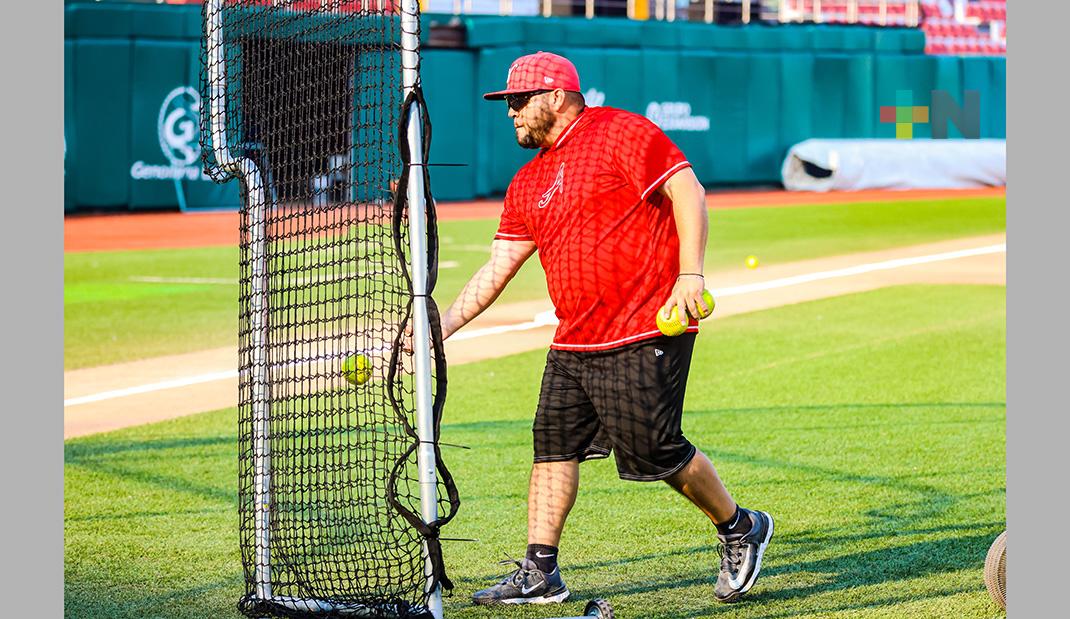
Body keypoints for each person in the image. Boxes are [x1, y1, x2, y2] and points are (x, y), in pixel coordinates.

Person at [438, 51, 774, 606]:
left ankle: (740, 526)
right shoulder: (527, 181)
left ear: (556, 95)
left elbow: (688, 190)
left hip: (644, 326)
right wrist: (438, 328)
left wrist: (690, 275)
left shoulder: (620, 131)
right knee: (552, 448)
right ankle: (541, 571)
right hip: (574, 339)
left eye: (519, 101)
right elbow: (497, 267)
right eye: (507, 105)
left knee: (656, 450)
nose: (511, 113)